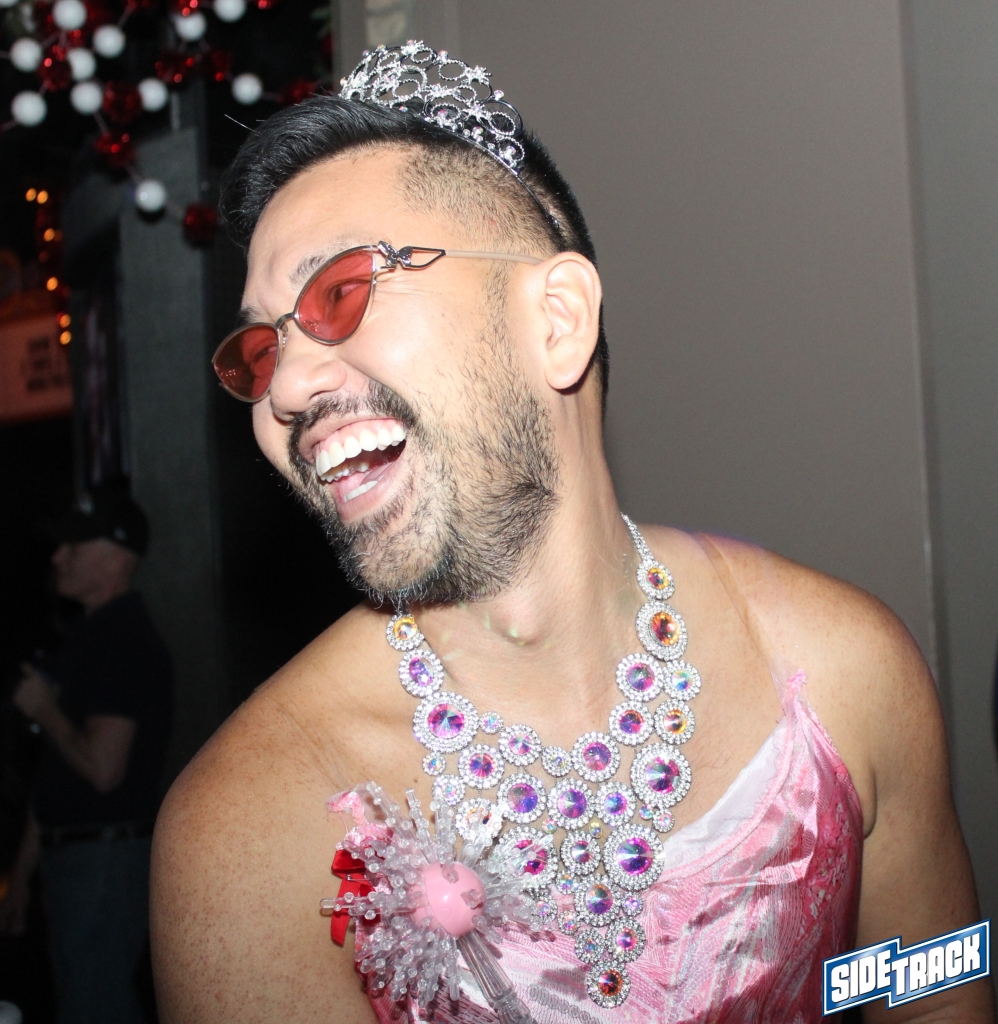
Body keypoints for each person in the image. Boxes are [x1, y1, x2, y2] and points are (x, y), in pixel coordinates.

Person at [150, 43, 993, 1023]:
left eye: (339, 291)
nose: (286, 391)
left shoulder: (848, 671)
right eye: (260, 350)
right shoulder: (250, 830)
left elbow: (932, 993)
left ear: (556, 321)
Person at [0, 479, 173, 1024]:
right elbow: (57, 772)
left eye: (75, 544)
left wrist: (44, 709)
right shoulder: (89, 637)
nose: (58, 556)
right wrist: (23, 874)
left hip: (103, 863)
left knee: (95, 1006)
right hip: (78, 858)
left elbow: (102, 770)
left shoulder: (121, 641)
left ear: (118, 555)